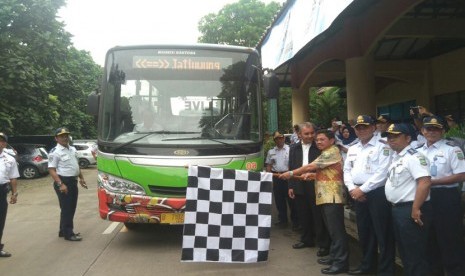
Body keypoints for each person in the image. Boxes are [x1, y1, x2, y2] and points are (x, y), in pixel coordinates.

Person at [281, 129, 349, 275]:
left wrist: (292, 173)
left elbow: (311, 165)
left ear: (331, 140)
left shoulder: (332, 151)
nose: (318, 142)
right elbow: (324, 172)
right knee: (331, 230)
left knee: (337, 231)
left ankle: (341, 262)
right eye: (317, 140)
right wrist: (312, 175)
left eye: (322, 139)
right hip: (324, 196)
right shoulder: (326, 152)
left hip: (333, 196)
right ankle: (335, 256)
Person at [343, 115, 395, 275]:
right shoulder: (353, 148)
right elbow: (347, 171)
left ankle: (386, 270)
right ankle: (367, 267)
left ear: (374, 128)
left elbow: (382, 173)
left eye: (365, 126)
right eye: (358, 127)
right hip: (357, 194)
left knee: (383, 233)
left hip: (377, 194)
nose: (362, 130)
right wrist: (352, 189)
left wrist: (362, 190)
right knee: (364, 232)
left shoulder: (383, 147)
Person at [417, 116, 465, 276]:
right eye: (428, 129)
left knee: (450, 238)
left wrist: (433, 182)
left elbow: (461, 175)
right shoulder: (417, 151)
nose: (431, 132)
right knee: (429, 238)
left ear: (443, 131)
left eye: (435, 129)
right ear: (422, 131)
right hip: (424, 197)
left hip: (446, 197)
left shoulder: (452, 149)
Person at [383, 123, 432, 276]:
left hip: (410, 208)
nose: (391, 140)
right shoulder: (397, 157)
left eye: (396, 136)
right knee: (405, 251)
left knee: (414, 252)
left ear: (408, 138)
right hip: (398, 209)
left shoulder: (414, 156)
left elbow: (424, 182)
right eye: (389, 137)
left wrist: (416, 208)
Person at [48, 127, 87, 242]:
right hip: (63, 182)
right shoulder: (55, 152)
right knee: (68, 208)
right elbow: (51, 170)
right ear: (56, 138)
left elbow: (76, 165)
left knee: (68, 208)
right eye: (61, 136)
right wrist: (61, 184)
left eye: (66, 135)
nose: (65, 137)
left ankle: (63, 230)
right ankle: (68, 234)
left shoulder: (72, 149)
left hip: (73, 181)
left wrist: (81, 178)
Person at [265, 131, 297, 228]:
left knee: (292, 200)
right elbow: (269, 165)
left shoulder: (290, 149)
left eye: (281, 138)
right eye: (277, 138)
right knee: (279, 200)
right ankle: (283, 220)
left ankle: (295, 222)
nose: (280, 140)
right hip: (277, 177)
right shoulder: (271, 152)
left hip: (288, 176)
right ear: (275, 140)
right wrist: (269, 175)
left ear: (284, 138)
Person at [0, 132, 19, 257]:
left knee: (0, 220)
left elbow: (13, 178)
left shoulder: (9, 158)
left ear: (5, 143)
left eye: (1, 140)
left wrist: (14, 193)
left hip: (2, 191)